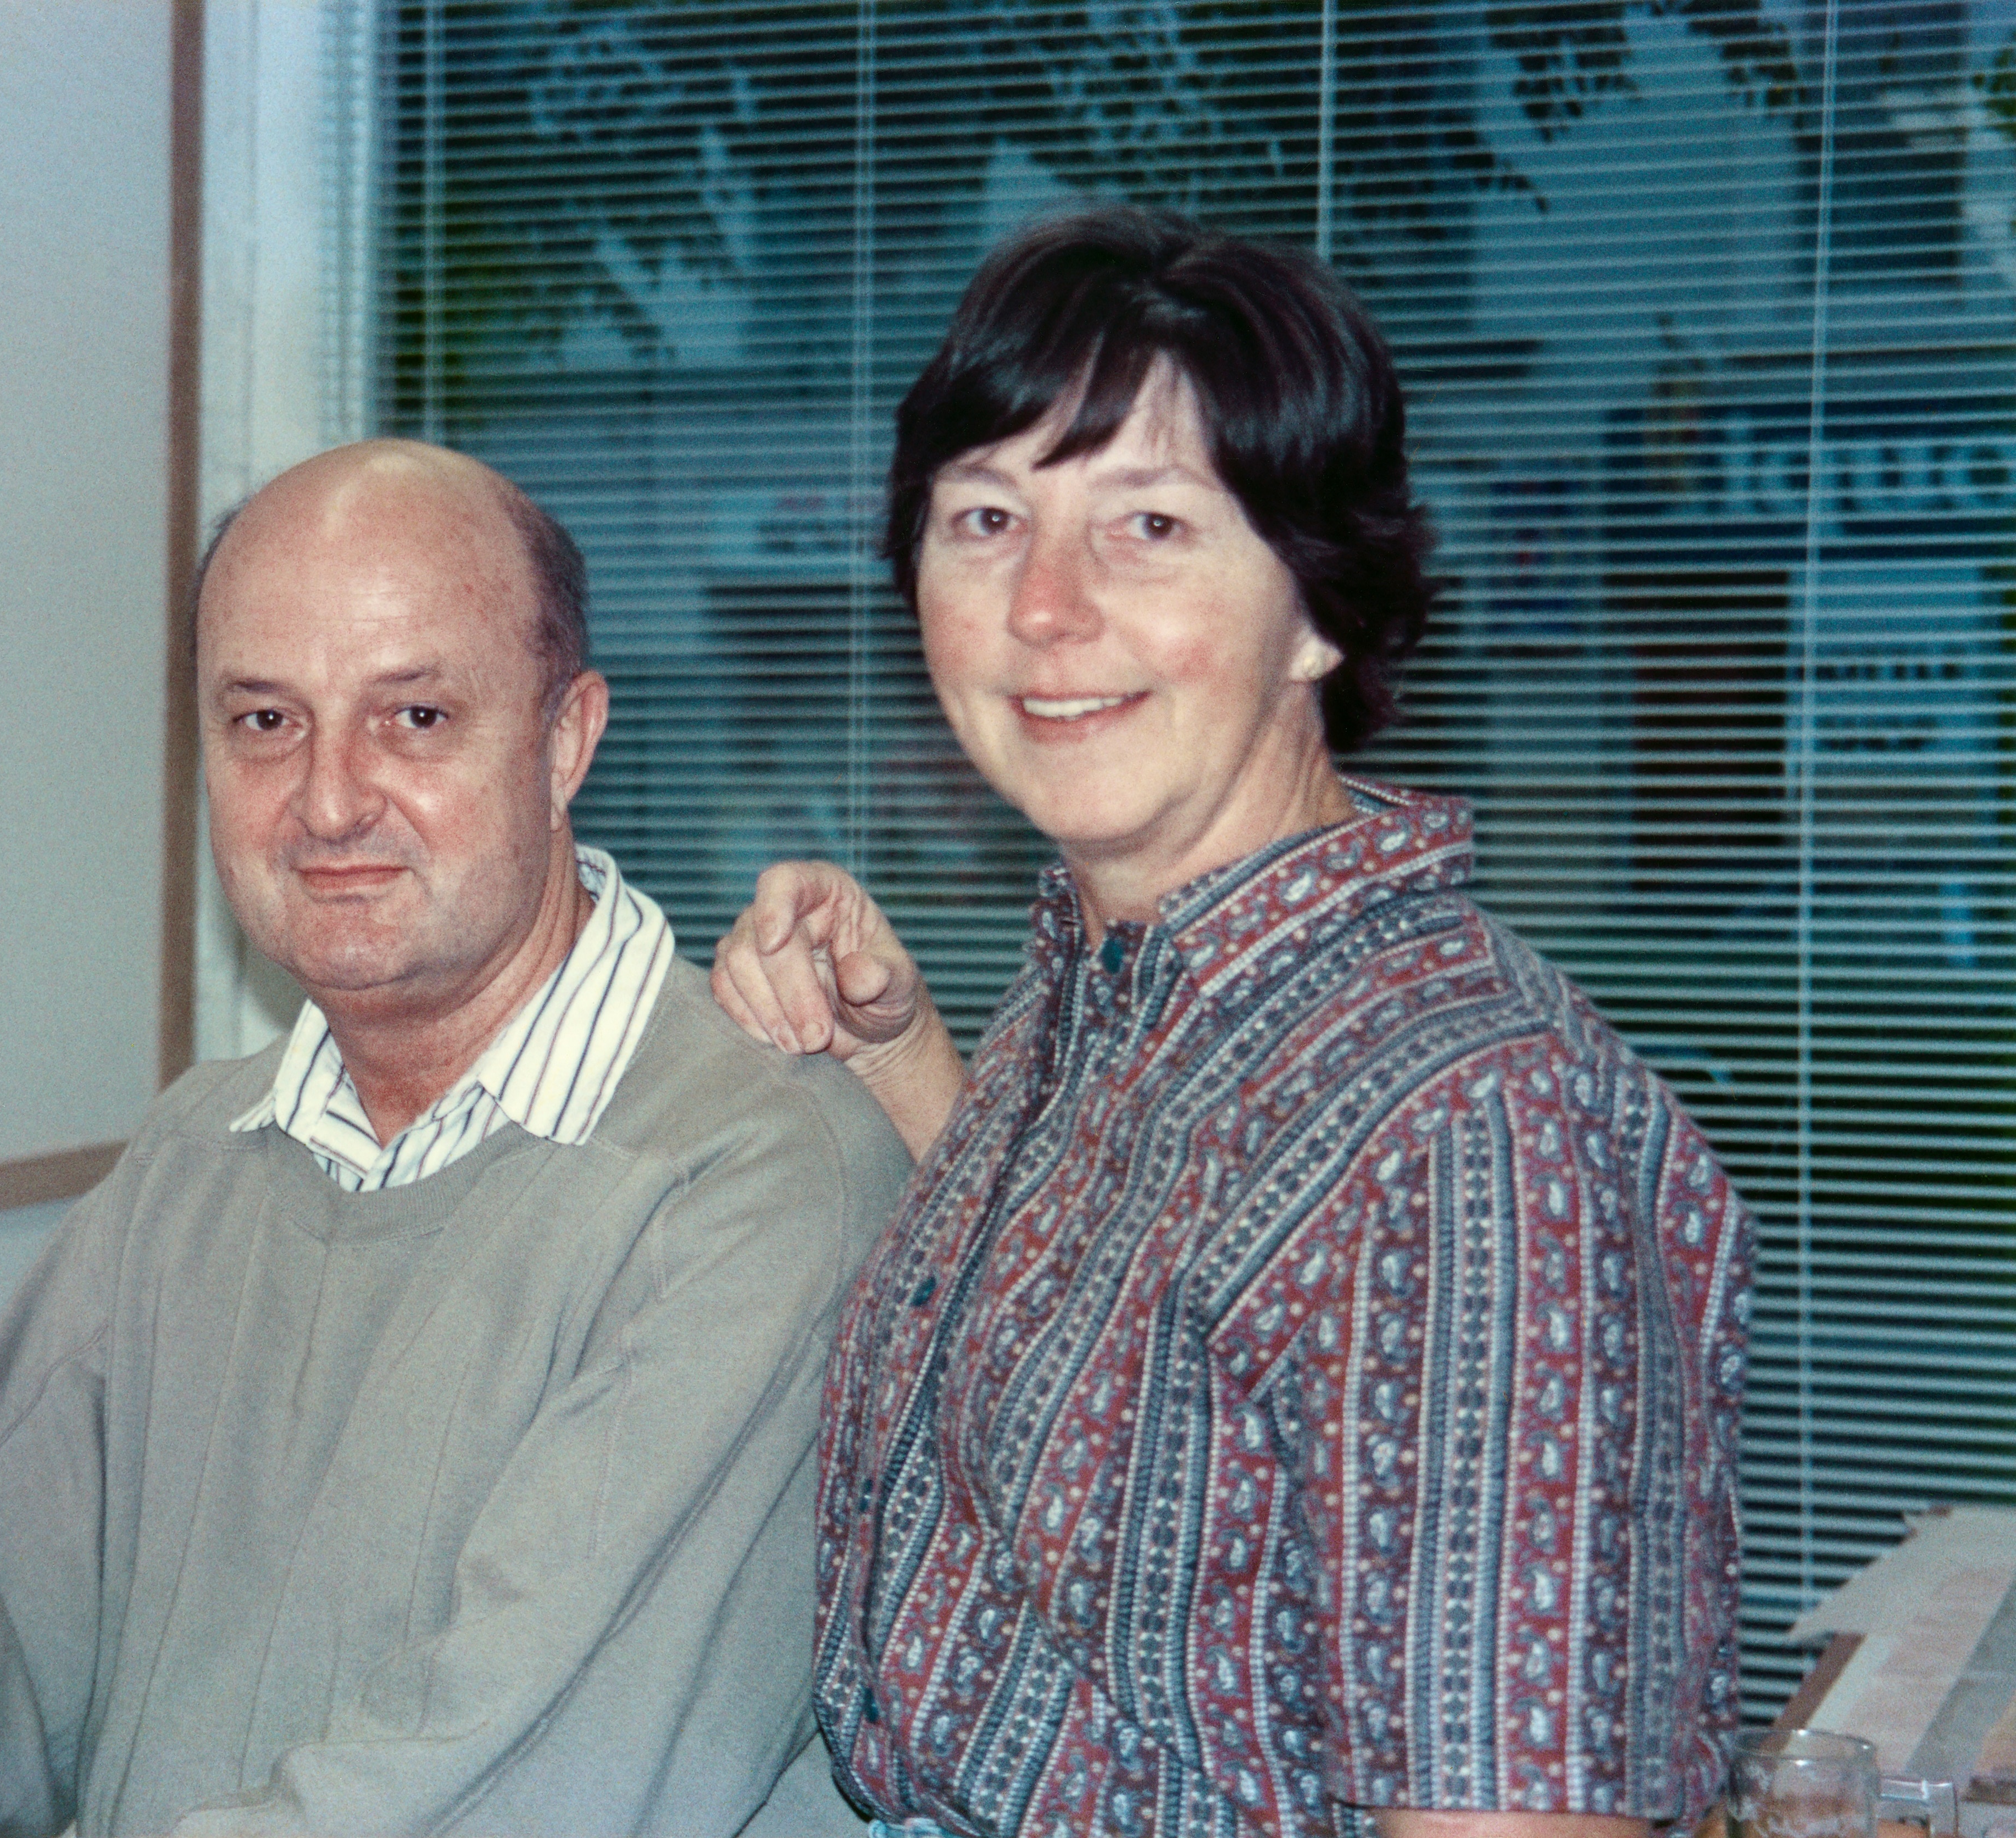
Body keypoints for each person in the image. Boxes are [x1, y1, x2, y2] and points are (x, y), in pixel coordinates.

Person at [0, 440, 912, 1838]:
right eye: (265, 721)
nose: (328, 800)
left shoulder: (753, 1181)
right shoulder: (200, 1156)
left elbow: (498, 1791)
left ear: (564, 739)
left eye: (416, 717)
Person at [712, 207, 1754, 1838]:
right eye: (987, 518)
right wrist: (907, 1057)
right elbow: (1140, 1376)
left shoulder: (1463, 1134)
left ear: (1318, 606)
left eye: (1150, 527)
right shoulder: (1124, 975)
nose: (1045, 606)